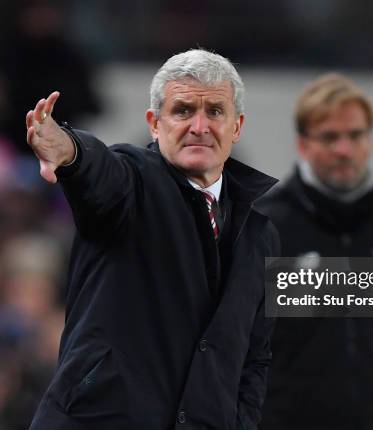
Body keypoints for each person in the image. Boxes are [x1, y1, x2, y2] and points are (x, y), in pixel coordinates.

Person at [26, 49, 279, 430]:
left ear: (237, 126)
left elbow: (254, 357)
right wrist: (69, 151)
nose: (199, 125)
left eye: (214, 111)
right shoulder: (134, 182)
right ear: (154, 124)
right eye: (182, 110)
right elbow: (100, 169)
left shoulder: (261, 233)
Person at [256, 74, 373, 430]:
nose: (344, 149)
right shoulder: (268, 224)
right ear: (303, 144)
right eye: (329, 137)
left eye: (356, 135)